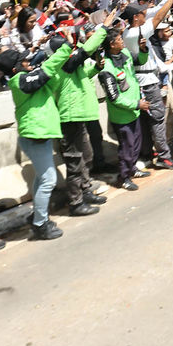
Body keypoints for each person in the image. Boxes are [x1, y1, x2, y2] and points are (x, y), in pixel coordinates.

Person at [0, 34, 75, 238]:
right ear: (14, 69)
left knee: (42, 178)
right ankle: (40, 224)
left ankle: (39, 216)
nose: (27, 61)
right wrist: (64, 49)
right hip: (35, 135)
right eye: (22, 61)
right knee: (48, 180)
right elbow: (45, 72)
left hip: (42, 133)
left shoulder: (27, 77)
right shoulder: (18, 81)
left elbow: (50, 77)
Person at [121, 0, 173, 171]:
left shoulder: (126, 33)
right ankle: (164, 156)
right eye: (141, 12)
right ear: (136, 18)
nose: (145, 13)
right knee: (157, 117)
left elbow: (154, 13)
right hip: (147, 81)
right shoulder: (136, 32)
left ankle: (149, 153)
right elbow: (159, 16)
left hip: (139, 81)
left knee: (146, 121)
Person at [53, 25, 110, 216]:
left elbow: (84, 73)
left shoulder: (71, 64)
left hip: (79, 116)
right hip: (68, 118)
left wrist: (96, 67)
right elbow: (86, 50)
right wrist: (104, 28)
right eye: (68, 48)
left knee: (86, 156)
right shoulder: (60, 65)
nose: (72, 50)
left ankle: (86, 191)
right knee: (74, 163)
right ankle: (75, 202)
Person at [101, 28, 149, 191]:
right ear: (112, 44)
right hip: (122, 115)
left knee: (136, 144)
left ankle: (133, 169)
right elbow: (114, 97)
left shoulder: (126, 54)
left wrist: (143, 50)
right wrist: (136, 104)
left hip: (134, 110)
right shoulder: (106, 68)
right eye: (119, 39)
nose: (122, 41)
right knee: (126, 148)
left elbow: (140, 61)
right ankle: (123, 177)